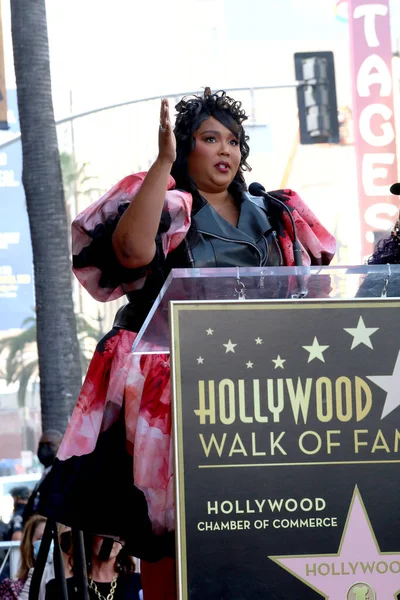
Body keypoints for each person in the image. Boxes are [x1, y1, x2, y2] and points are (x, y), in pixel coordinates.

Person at [38, 89, 336, 599]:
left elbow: (310, 292)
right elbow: (130, 254)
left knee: (256, 524)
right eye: (209, 138)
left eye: (234, 140)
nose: (226, 149)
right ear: (185, 146)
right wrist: (163, 164)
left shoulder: (277, 212)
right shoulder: (166, 201)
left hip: (257, 390)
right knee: (174, 535)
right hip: (173, 393)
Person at [45, 535, 141, 600]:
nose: (110, 540)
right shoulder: (60, 589)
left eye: (116, 533)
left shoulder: (139, 584)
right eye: (103, 533)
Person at [0, 514, 53, 599]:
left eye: (54, 537)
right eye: (42, 537)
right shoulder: (12, 589)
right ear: (29, 545)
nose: (50, 542)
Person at [23, 430, 63, 524]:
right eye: (41, 445)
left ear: (61, 447)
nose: (44, 449)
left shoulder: (61, 475)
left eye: (49, 445)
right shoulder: (45, 474)